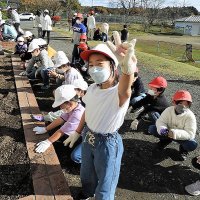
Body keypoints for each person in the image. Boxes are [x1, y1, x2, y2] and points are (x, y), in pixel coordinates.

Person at [63, 31, 137, 200]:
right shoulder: (93, 88)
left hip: (108, 142)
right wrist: (77, 131)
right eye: (90, 64)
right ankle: (87, 192)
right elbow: (87, 111)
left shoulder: (117, 93)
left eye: (99, 64)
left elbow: (126, 89)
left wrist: (128, 70)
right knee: (86, 172)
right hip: (88, 135)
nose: (94, 68)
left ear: (112, 66)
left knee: (106, 180)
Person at [33, 85, 85, 154]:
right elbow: (61, 119)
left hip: (84, 137)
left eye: (61, 105)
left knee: (75, 155)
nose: (60, 107)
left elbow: (62, 131)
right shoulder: (73, 107)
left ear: (70, 104)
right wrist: (45, 129)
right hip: (75, 132)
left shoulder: (77, 115)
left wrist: (48, 142)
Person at [148, 90, 197, 161]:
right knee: (152, 128)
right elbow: (161, 121)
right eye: (180, 103)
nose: (183, 106)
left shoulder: (190, 116)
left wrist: (174, 133)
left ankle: (183, 150)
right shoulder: (168, 110)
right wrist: (162, 129)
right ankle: (165, 141)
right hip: (167, 133)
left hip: (180, 137)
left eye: (186, 104)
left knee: (192, 144)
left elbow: (190, 134)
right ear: (174, 102)